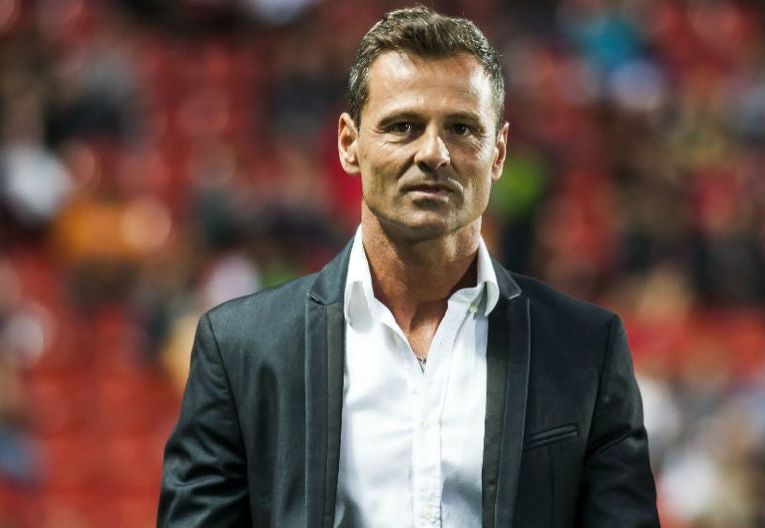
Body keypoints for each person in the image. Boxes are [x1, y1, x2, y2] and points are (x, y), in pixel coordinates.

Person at [158, 6, 659, 527]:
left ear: (498, 152)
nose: (433, 153)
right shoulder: (240, 348)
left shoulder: (586, 349)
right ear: (349, 144)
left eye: (461, 128)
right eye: (403, 126)